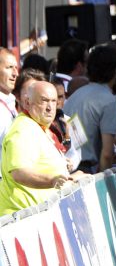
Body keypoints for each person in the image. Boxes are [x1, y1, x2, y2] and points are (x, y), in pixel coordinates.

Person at [0, 81, 76, 215]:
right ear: (27, 103)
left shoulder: (39, 127)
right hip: (20, 220)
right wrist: (52, 181)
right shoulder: (22, 129)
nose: (50, 107)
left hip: (39, 218)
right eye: (44, 101)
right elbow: (19, 173)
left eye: (53, 101)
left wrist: (74, 178)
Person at [63, 44, 116, 173]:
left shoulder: (77, 94)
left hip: (69, 168)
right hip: (86, 172)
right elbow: (108, 152)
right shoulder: (109, 100)